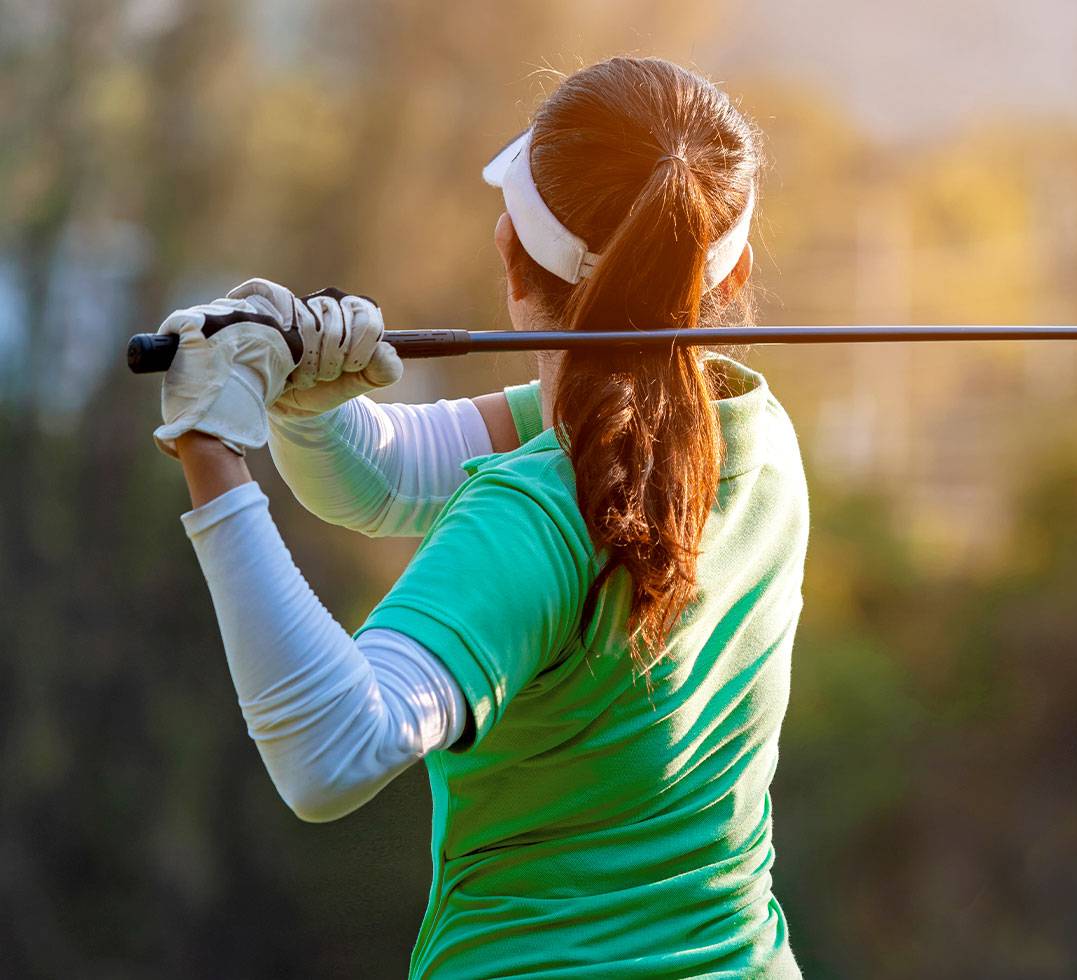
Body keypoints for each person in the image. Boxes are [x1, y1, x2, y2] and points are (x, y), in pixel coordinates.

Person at [152, 57, 806, 978]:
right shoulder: (760, 440)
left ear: (511, 254)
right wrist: (307, 408)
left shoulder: (534, 510)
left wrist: (211, 447)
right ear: (731, 273)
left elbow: (328, 751)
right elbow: (382, 482)